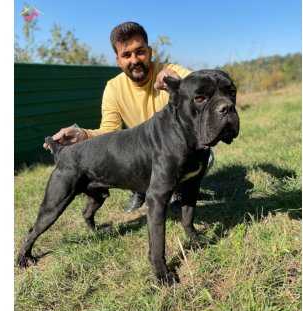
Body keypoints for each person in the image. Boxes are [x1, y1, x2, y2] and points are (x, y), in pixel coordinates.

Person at [43, 21, 211, 212]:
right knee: (131, 159)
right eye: (126, 55)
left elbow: (206, 88)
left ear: (150, 51)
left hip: (175, 150)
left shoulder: (172, 72)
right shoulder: (113, 88)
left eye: (140, 51)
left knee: (205, 155)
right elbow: (109, 130)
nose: (134, 60)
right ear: (118, 60)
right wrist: (83, 134)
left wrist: (182, 85)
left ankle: (179, 189)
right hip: (140, 154)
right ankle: (140, 189)